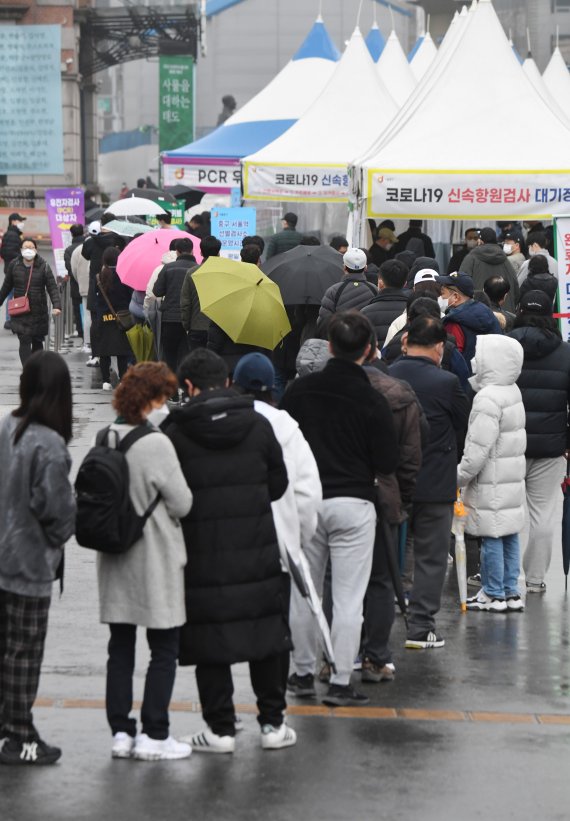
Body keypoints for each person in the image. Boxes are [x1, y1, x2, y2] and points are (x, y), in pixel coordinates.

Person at [166, 349, 295, 753]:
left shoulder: (175, 430)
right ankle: (273, 724)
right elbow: (278, 484)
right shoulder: (258, 425)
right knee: (265, 635)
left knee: (210, 639)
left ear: (187, 387)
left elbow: (169, 495)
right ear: (226, 381)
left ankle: (220, 729)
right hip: (256, 547)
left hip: (201, 552)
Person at [281, 312, 399, 706]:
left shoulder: (300, 392)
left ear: (329, 346)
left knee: (306, 592)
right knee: (349, 598)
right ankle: (341, 680)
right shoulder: (372, 399)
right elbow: (386, 461)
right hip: (354, 502)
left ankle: (300, 673)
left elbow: (281, 444)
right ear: (368, 351)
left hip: (307, 501)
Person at [96, 362, 193, 761]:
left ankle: (121, 732)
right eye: (163, 397)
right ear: (151, 400)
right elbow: (183, 503)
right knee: (163, 648)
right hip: (154, 558)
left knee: (120, 648)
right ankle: (155, 732)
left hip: (115, 557)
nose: (166, 404)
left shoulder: (106, 437)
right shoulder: (157, 444)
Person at [0, 351, 75, 765]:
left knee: (4, 650)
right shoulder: (49, 444)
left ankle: (5, 729)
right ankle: (19, 734)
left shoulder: (7, 427)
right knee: (24, 653)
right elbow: (58, 513)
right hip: (28, 564)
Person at [390, 316, 470, 648]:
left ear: (406, 341)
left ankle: (383, 621)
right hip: (436, 478)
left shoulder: (389, 374)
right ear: (439, 347)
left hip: (394, 478)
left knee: (393, 551)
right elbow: (462, 424)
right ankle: (421, 627)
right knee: (431, 555)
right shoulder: (448, 382)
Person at [360, 335, 425, 683]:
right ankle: (375, 656)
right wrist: (402, 497)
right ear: (371, 349)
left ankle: (333, 658)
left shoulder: (311, 390)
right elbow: (411, 452)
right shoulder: (398, 392)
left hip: (329, 498)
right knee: (382, 580)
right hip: (384, 495)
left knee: (335, 580)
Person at [458, 335, 526, 613]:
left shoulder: (487, 398)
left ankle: (493, 592)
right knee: (509, 533)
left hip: (491, 479)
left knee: (491, 536)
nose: (475, 360)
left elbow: (478, 448)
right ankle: (510, 591)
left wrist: (460, 475)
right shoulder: (512, 391)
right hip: (510, 478)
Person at [508, 291, 570, 594]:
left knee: (502, 509)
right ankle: (534, 579)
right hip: (550, 447)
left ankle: (501, 576)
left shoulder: (505, 346)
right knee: (544, 514)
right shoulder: (565, 352)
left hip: (508, 444)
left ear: (518, 310)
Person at [383, 294, 470, 392]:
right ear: (438, 320)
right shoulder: (449, 347)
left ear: (409, 320)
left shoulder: (394, 342)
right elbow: (463, 382)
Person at [0, 238, 61, 366]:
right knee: (24, 340)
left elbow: (52, 287)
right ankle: (28, 371)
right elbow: (6, 287)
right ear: (21, 250)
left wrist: (57, 305)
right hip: (21, 312)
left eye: (31, 247)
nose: (28, 250)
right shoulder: (14, 265)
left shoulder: (43, 266)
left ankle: (36, 369)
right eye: (25, 247)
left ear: (36, 250)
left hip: (39, 311)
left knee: (38, 342)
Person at [81, 213, 125, 366]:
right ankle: (117, 357)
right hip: (117, 282)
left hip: (98, 282)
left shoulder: (91, 241)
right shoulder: (119, 240)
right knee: (118, 319)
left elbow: (84, 254)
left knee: (96, 320)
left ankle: (96, 355)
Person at [438, 272, 501, 374]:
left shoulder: (453, 322)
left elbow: (451, 359)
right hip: (491, 376)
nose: (440, 297)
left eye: (442, 293)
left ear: (455, 297)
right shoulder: (488, 313)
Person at [153, 238, 196, 375]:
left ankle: (172, 390)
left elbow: (157, 291)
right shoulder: (197, 269)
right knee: (186, 354)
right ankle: (184, 387)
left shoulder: (168, 268)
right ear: (192, 250)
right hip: (190, 320)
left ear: (177, 252)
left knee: (170, 354)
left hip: (170, 319)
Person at [94, 247, 133, 391]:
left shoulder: (99, 277)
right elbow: (130, 296)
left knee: (104, 350)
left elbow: (96, 299)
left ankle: (106, 381)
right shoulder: (124, 276)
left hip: (104, 318)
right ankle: (123, 379)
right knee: (122, 351)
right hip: (122, 318)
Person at [460, 227, 519, 312]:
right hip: (504, 314)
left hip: (477, 312)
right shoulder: (506, 260)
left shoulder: (471, 258)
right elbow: (516, 289)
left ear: (480, 241)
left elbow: (461, 284)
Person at [317, 248, 377, 330]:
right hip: (366, 339)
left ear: (344, 267)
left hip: (340, 339)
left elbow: (323, 322)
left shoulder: (334, 291)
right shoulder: (374, 289)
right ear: (365, 268)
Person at [180, 235, 222, 351]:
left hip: (196, 327)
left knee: (197, 364)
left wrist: (187, 325)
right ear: (218, 252)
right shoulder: (225, 273)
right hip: (219, 328)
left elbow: (185, 303)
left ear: (201, 253)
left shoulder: (192, 273)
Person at [361, 259, 409, 348]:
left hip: (375, 360)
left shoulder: (366, 312)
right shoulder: (412, 310)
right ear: (405, 283)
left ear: (380, 281)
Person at [0, 212, 26, 328]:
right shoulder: (12, 235)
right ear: (13, 221)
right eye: (20, 221)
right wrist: (22, 257)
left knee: (13, 294)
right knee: (12, 294)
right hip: (14, 269)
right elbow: (9, 252)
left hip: (12, 268)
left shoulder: (13, 234)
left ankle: (11, 319)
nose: (22, 223)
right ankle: (10, 320)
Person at [64, 224, 85, 339]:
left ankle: (81, 334)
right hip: (89, 285)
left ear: (71, 234)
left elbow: (69, 268)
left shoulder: (69, 250)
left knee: (78, 310)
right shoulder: (89, 245)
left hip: (76, 285)